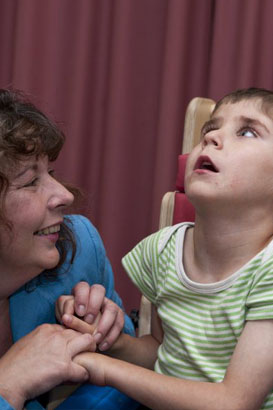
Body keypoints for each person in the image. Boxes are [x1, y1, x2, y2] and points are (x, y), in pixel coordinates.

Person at [67, 88, 273, 410]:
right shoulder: (163, 249)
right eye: (209, 129)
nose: (213, 137)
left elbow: (234, 403)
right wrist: (109, 342)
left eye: (247, 131)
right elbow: (162, 353)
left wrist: (106, 369)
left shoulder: (269, 270)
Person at [0, 89, 135, 410]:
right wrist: (8, 384)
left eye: (52, 173)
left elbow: (137, 372)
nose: (65, 195)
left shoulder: (79, 249)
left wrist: (107, 336)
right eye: (30, 181)